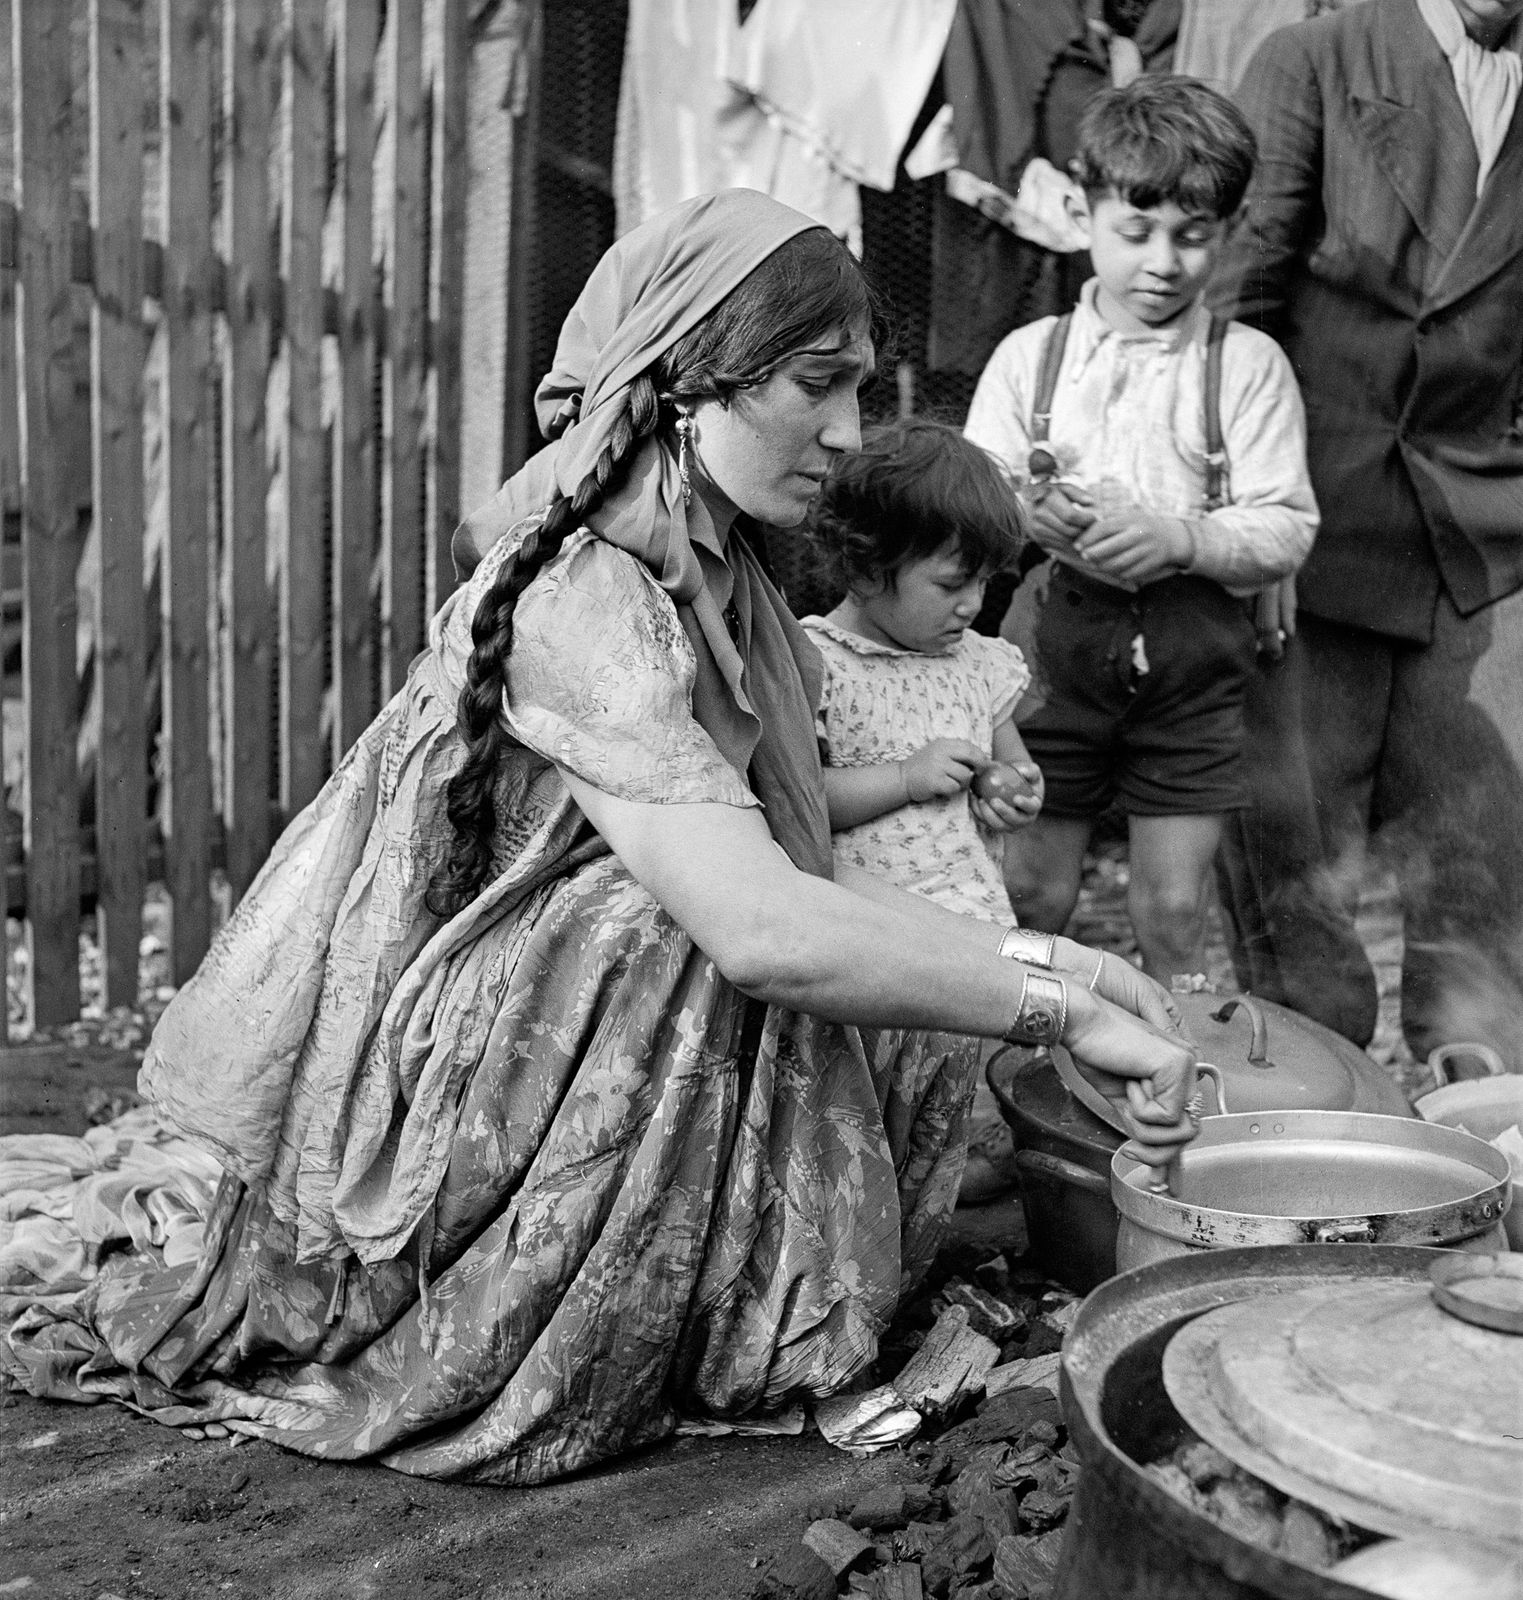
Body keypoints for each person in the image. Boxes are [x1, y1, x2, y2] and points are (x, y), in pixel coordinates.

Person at [0, 191, 1196, 1487]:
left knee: (894, 989)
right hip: (457, 1067)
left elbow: (803, 887)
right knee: (677, 933)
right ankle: (587, 1319)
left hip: (580, 1004)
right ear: (687, 382)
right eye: (816, 385)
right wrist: (1050, 1007)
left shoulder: (725, 578)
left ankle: (726, 1300)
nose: (850, 434)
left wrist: (1065, 966)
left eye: (856, 388)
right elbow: (758, 928)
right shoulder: (584, 594)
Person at [1209, 0, 1523, 1064]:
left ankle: (1474, 1117)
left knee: (1487, 855)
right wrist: (1244, 520)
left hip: (1480, 539)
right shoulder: (1312, 59)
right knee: (1292, 862)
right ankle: (1314, 1115)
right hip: (1307, 520)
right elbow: (1233, 302)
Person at [963, 75, 1318, 986]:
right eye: (1135, 232)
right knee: (1034, 892)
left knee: (1170, 909)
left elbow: (1286, 525)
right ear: (1083, 212)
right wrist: (1020, 514)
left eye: (1193, 238)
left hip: (1192, 657)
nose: (1162, 262)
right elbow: (967, 502)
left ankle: (1168, 1084)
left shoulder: (1244, 368)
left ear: (1227, 231)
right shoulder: (1028, 359)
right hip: (1052, 651)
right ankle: (1017, 1074)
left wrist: (1183, 540)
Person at [800, 418, 1044, 1204]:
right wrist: (904, 777)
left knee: (969, 1090)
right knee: (875, 1096)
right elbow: (799, 804)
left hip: (973, 924)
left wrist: (1013, 790)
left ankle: (948, 1185)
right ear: (868, 568)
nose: (972, 605)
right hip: (873, 941)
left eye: (984, 583)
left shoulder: (976, 664)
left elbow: (1009, 763)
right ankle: (888, 1192)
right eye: (950, 584)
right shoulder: (819, 664)